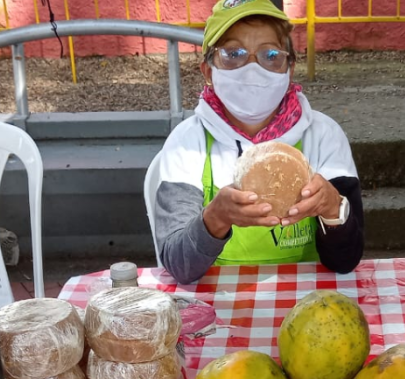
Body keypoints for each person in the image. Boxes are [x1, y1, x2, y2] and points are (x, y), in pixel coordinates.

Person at [149, 0, 364, 284]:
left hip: (309, 299)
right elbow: (179, 267)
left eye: (271, 54)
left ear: (289, 69)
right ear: (208, 70)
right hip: (215, 307)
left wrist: (333, 207)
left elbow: (345, 261)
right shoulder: (187, 143)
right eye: (233, 54)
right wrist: (215, 218)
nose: (252, 69)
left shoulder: (323, 136)